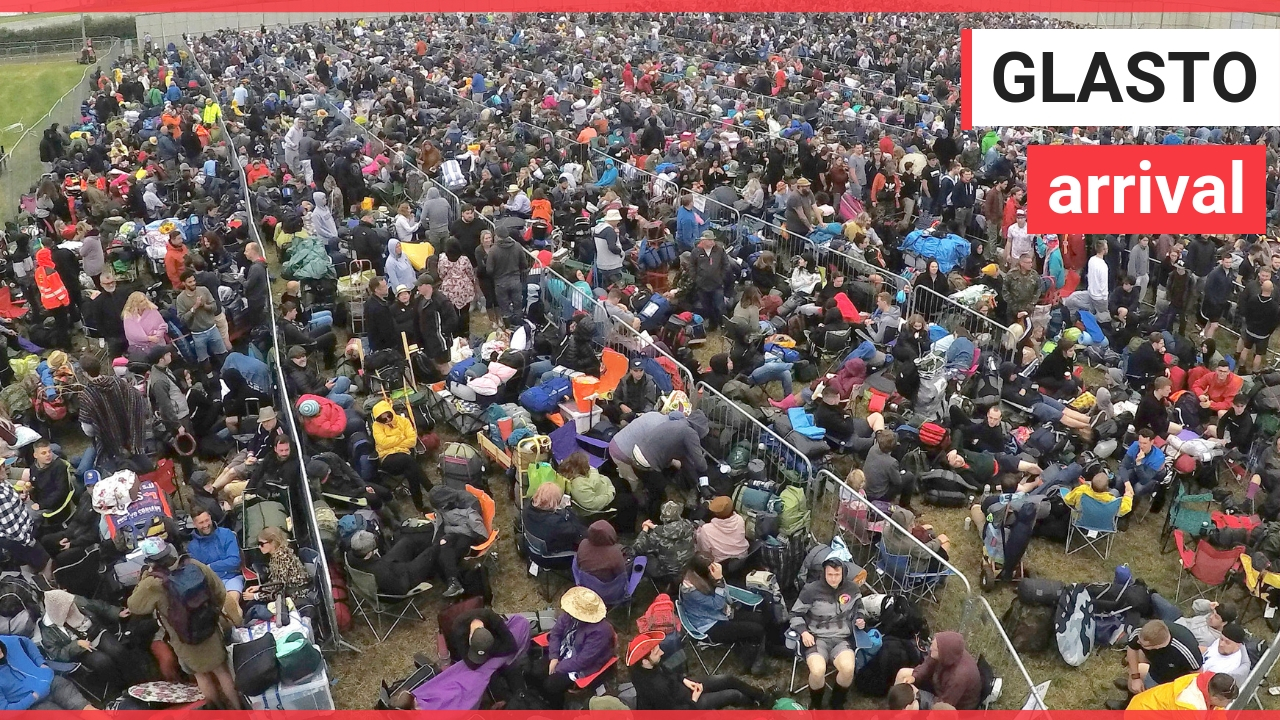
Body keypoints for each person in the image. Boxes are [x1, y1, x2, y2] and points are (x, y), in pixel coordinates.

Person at [127, 538, 241, 709]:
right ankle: (239, 709)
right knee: (222, 671)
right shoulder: (193, 564)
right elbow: (219, 589)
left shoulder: (153, 583)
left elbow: (134, 606)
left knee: (201, 675)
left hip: (183, 637)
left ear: (151, 561)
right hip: (209, 629)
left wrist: (144, 577)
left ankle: (218, 709)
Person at [627, 630, 771, 710]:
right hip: (688, 706)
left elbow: (668, 672)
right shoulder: (656, 688)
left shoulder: (647, 666)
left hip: (682, 689)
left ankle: (762, 697)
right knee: (733, 695)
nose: (662, 653)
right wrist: (694, 700)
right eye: (656, 652)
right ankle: (753, 705)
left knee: (727, 679)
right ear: (644, 660)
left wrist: (685, 680)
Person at [791, 557, 866, 709]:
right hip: (816, 638)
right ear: (824, 573)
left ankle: (837, 703)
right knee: (818, 671)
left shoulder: (852, 589)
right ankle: (816, 705)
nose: (833, 578)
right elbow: (794, 614)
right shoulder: (811, 590)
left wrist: (860, 619)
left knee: (848, 668)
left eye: (837, 574)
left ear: (843, 574)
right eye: (829, 574)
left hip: (841, 638)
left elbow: (860, 609)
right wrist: (804, 632)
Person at [38, 589, 145, 691]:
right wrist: (77, 645)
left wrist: (116, 612)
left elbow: (96, 605)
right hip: (80, 649)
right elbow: (56, 654)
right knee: (103, 662)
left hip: (95, 631)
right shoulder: (48, 629)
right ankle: (123, 687)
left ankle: (139, 681)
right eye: (68, 606)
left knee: (118, 650)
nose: (72, 606)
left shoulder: (73, 600)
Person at [527, 587, 615, 709]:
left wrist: (558, 667)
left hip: (582, 664)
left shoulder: (600, 631)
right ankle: (539, 700)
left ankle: (556, 708)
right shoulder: (569, 615)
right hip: (563, 652)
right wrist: (553, 657)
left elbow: (584, 660)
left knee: (550, 686)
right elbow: (556, 634)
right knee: (535, 671)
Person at [680, 555, 769, 675]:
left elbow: (726, 597)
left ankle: (751, 650)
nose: (715, 568)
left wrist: (720, 581)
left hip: (721, 614)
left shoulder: (704, 578)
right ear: (702, 571)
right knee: (756, 630)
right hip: (709, 626)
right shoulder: (690, 590)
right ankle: (753, 665)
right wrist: (719, 580)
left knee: (760, 619)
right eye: (711, 567)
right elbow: (717, 604)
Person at [1107, 619, 1204, 708]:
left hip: (1174, 680)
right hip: (1156, 665)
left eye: (1142, 644)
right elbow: (1132, 648)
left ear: (1157, 646)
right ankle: (1129, 700)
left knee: (1150, 698)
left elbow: (1197, 675)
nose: (1138, 642)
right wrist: (1135, 678)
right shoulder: (1141, 632)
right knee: (1138, 672)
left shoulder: (1186, 650)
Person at [894, 632, 983, 710]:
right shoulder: (946, 652)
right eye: (933, 643)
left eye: (935, 647)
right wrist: (914, 677)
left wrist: (916, 694)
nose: (930, 648)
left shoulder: (960, 677)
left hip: (950, 704)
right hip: (938, 684)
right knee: (903, 674)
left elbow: (944, 705)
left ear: (942, 652)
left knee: (913, 705)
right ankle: (895, 707)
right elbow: (927, 665)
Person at [0, 634, 92, 710]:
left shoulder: (7, 641)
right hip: (32, 704)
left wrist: (41, 663)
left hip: (50, 681)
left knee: (86, 708)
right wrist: (33, 697)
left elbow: (27, 642)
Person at [371, 399, 430, 513]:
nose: (387, 420)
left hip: (403, 456)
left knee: (410, 470)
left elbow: (412, 441)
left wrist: (393, 443)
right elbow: (383, 442)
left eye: (388, 416)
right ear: (379, 419)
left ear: (391, 412)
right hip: (388, 458)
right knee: (409, 461)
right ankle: (431, 489)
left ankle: (420, 505)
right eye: (383, 419)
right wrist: (401, 437)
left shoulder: (403, 421)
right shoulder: (376, 426)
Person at [345, 529, 440, 596]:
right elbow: (400, 589)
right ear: (370, 553)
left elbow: (383, 564)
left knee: (406, 542)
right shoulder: (381, 571)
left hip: (388, 567)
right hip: (402, 580)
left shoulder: (351, 555)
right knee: (430, 552)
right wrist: (405, 567)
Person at [631, 500, 696, 591]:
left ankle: (662, 585)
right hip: (689, 566)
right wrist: (655, 527)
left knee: (642, 556)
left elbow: (637, 548)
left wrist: (645, 530)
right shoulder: (688, 525)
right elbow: (672, 529)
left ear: (662, 517)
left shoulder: (656, 536)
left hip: (668, 572)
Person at [186, 508, 245, 605]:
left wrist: (209, 567)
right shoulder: (192, 546)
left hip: (231, 578)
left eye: (207, 520)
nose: (205, 525)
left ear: (210, 518)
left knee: (232, 604)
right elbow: (197, 572)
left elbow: (234, 561)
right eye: (201, 523)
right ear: (194, 524)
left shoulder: (226, 534)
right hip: (210, 584)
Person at [243, 526, 310, 604]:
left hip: (296, 596)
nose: (259, 547)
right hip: (291, 593)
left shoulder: (281, 559)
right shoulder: (281, 553)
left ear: (273, 542)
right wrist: (260, 588)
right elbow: (275, 582)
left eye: (261, 544)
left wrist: (255, 596)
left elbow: (279, 589)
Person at [522, 482, 587, 556]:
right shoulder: (556, 523)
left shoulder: (527, 509)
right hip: (553, 557)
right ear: (555, 501)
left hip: (534, 549)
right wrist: (569, 511)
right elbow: (576, 532)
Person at [1125, 672, 1238, 711]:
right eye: (1228, 701)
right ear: (1216, 698)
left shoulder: (1207, 681)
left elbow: (1216, 712)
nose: (1229, 704)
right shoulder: (1191, 707)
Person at [863, 431, 916, 508]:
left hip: (866, 490)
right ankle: (905, 505)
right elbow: (897, 482)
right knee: (909, 476)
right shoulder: (892, 463)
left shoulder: (873, 449)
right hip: (879, 496)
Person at [695, 495, 749, 568]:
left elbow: (705, 552)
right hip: (743, 557)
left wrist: (698, 531)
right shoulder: (739, 519)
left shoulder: (706, 529)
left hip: (721, 565)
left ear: (715, 513)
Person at [1117, 429, 1167, 498]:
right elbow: (1123, 466)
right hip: (1137, 470)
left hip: (1151, 476)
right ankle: (1120, 496)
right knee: (1120, 479)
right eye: (1140, 442)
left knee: (1138, 488)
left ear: (1152, 442)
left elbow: (1144, 480)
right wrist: (1127, 483)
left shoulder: (1158, 457)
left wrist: (1139, 463)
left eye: (1145, 443)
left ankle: (1134, 501)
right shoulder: (1135, 445)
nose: (1141, 446)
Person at [1064, 470, 1134, 517]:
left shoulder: (1081, 490)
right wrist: (1128, 497)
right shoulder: (1111, 500)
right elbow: (1124, 509)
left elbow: (1068, 500)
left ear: (1091, 483)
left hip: (1080, 519)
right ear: (1107, 488)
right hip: (1101, 523)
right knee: (1115, 492)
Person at [576, 519, 626, 584]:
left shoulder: (583, 544)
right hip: (608, 589)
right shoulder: (615, 553)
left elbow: (578, 563)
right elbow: (621, 575)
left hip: (587, 585)